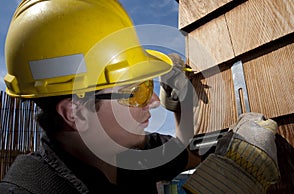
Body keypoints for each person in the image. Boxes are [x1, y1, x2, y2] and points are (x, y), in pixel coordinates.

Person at [0, 0, 279, 194]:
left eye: (148, 85)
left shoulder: (133, 152)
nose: (154, 101)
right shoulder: (33, 189)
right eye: (136, 93)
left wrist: (179, 105)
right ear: (76, 113)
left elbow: (189, 154)